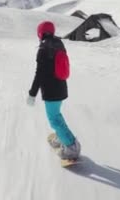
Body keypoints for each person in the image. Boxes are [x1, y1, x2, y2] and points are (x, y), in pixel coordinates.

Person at [27, 21, 81, 160]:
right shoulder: (59, 44)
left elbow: (39, 74)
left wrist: (32, 94)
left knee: (54, 120)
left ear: (41, 33)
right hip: (61, 87)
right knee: (57, 115)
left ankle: (71, 147)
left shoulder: (43, 49)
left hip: (51, 92)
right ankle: (61, 137)